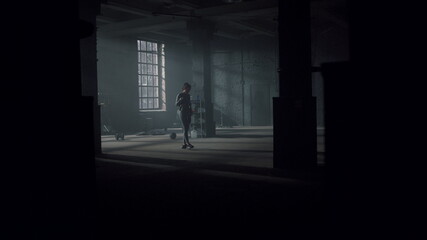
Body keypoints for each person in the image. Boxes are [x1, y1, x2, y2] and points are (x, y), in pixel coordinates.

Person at [176, 82, 194, 149]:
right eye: (188, 89)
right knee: (185, 128)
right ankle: (188, 143)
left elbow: (189, 104)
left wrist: (191, 110)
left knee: (186, 128)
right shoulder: (179, 95)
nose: (189, 91)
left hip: (188, 112)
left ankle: (184, 144)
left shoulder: (188, 95)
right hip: (182, 112)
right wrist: (180, 100)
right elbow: (176, 104)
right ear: (184, 88)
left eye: (189, 90)